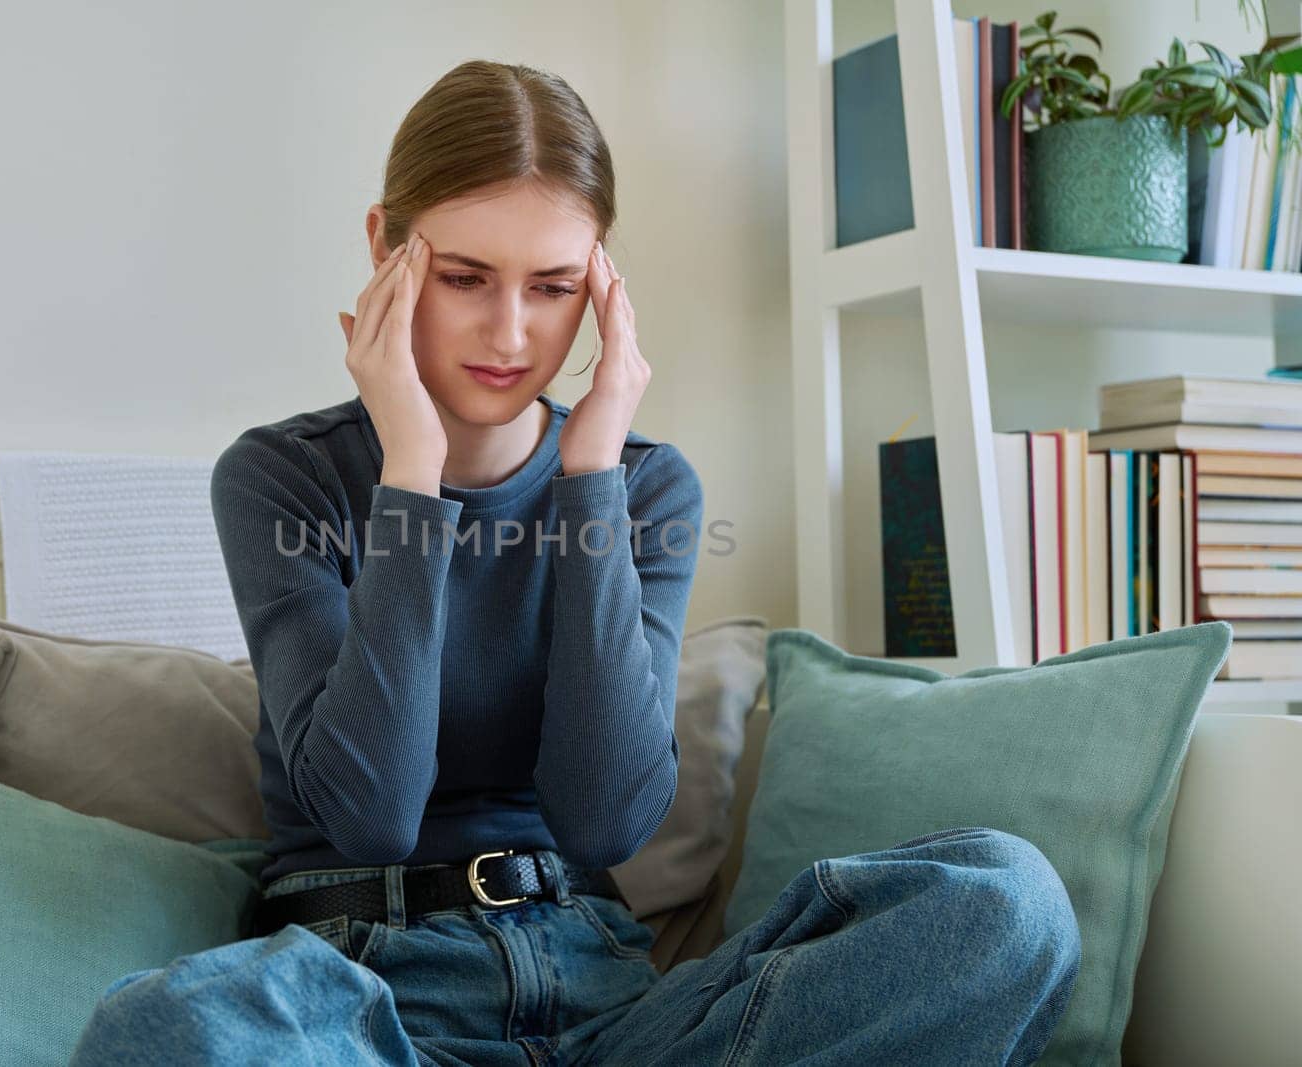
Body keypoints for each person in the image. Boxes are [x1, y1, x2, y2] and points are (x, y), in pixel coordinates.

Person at [67, 60, 1081, 1067]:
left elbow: (605, 817)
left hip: (606, 1000)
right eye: (464, 276)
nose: (510, 333)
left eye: (552, 287)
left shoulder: (642, 486)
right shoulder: (283, 477)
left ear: (598, 285)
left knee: (1004, 900)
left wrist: (589, 473)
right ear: (384, 247)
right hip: (370, 1003)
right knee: (163, 1027)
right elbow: (370, 813)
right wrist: (411, 473)